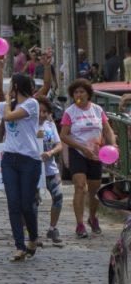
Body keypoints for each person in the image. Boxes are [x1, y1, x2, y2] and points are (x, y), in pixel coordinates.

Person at [0, 70, 41, 261]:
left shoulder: (31, 103)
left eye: (11, 85)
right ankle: (19, 245)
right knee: (13, 203)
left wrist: (6, 99)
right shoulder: (8, 105)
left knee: (26, 205)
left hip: (29, 159)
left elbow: (10, 117)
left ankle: (34, 237)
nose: (8, 88)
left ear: (17, 86)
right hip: (10, 160)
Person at [60, 78, 116, 238]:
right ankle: (79, 224)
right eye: (76, 92)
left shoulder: (97, 110)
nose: (79, 95)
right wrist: (82, 148)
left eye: (82, 91)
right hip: (78, 152)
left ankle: (92, 217)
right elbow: (63, 135)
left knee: (94, 189)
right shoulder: (70, 112)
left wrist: (113, 145)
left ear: (88, 94)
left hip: (96, 153)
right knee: (80, 187)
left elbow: (108, 130)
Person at [39, 95, 65, 246]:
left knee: (58, 196)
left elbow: (59, 144)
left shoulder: (50, 125)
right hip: (34, 170)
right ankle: (30, 231)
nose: (42, 114)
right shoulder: (27, 125)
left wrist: (50, 153)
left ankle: (53, 227)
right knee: (32, 202)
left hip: (50, 168)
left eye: (45, 111)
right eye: (39, 111)